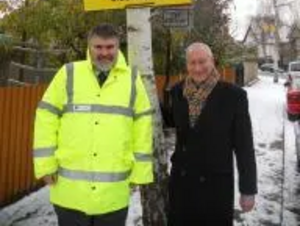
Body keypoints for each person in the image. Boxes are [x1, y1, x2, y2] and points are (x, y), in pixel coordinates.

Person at [33, 23, 153, 226]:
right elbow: (46, 117)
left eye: (109, 47)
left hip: (113, 194)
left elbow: (142, 125)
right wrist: (45, 166)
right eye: (98, 47)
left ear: (117, 47)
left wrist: (140, 172)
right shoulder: (68, 73)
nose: (104, 53)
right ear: (89, 47)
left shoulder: (132, 80)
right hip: (70, 193)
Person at [163, 42, 257, 226]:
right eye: (192, 63)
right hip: (182, 184)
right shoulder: (176, 92)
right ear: (187, 65)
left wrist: (248, 190)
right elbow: (175, 125)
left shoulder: (234, 96)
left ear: (212, 61)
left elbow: (244, 146)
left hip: (215, 185)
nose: (197, 68)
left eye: (202, 61)